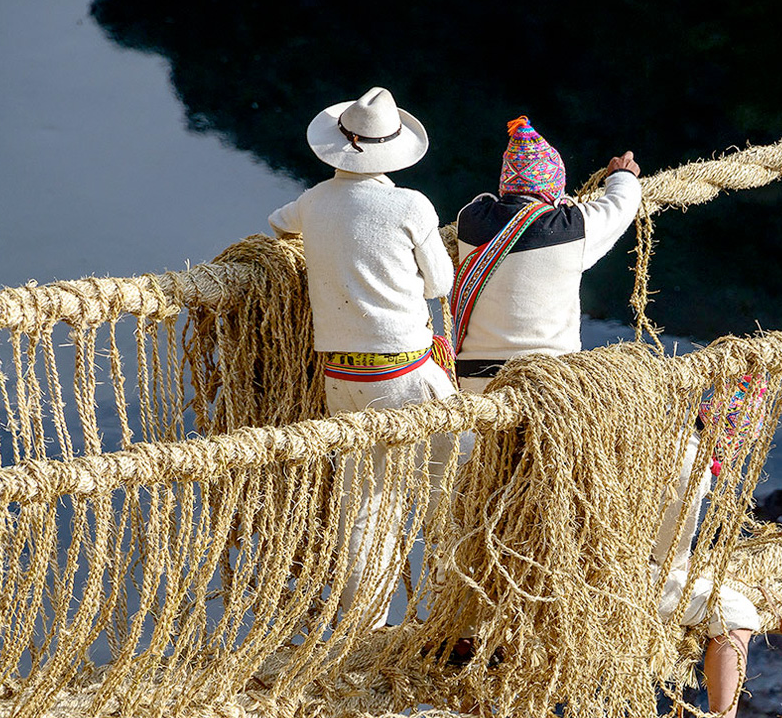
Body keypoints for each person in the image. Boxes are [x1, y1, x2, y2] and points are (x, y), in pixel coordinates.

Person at [267, 87, 454, 629]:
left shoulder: (312, 202)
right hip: (405, 371)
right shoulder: (411, 205)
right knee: (462, 475)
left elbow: (277, 226)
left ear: (339, 147)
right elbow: (439, 284)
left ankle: (362, 624)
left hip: (340, 376)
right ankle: (449, 612)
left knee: (365, 498)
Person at [449, 116, 640, 393]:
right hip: (547, 381)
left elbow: (486, 200)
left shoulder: (471, 219)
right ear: (555, 187)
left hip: (475, 381)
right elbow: (620, 205)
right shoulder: (572, 227)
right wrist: (622, 175)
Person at [652, 376, 769, 718]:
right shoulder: (692, 465)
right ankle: (723, 715)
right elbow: (668, 554)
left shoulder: (660, 432)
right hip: (625, 582)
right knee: (736, 611)